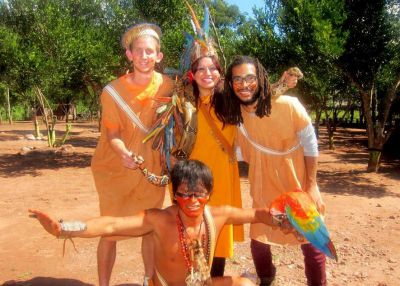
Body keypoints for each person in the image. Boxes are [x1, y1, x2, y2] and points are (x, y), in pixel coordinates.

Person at [29, 160, 294, 286]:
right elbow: (110, 226)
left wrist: (280, 219)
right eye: (183, 193)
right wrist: (64, 228)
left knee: (246, 285)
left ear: (209, 193)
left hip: (202, 284)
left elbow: (256, 214)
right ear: (174, 194)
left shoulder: (219, 214)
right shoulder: (158, 220)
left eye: (198, 193)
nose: (191, 200)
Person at [217, 55, 327, 286]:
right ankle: (268, 280)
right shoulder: (235, 115)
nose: (244, 85)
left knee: (312, 244)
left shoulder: (289, 105)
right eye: (237, 79)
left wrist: (312, 185)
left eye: (250, 78)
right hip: (263, 185)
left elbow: (310, 143)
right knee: (259, 242)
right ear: (230, 84)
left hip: (297, 183)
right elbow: (237, 153)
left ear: (261, 79)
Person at [90, 22, 173, 286]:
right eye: (139, 51)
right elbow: (112, 134)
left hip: (152, 170)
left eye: (150, 52)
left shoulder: (169, 87)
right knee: (110, 230)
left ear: (158, 56)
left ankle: (150, 281)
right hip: (115, 167)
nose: (144, 56)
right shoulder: (112, 92)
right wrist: (124, 153)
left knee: (149, 229)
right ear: (129, 55)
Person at [187, 54, 244, 277]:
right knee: (193, 229)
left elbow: (258, 98)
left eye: (212, 68)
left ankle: (215, 278)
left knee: (217, 230)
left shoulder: (230, 100)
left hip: (221, 173)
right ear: (192, 75)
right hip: (193, 175)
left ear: (220, 73)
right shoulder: (184, 104)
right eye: (201, 69)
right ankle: (196, 278)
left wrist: (282, 84)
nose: (207, 73)